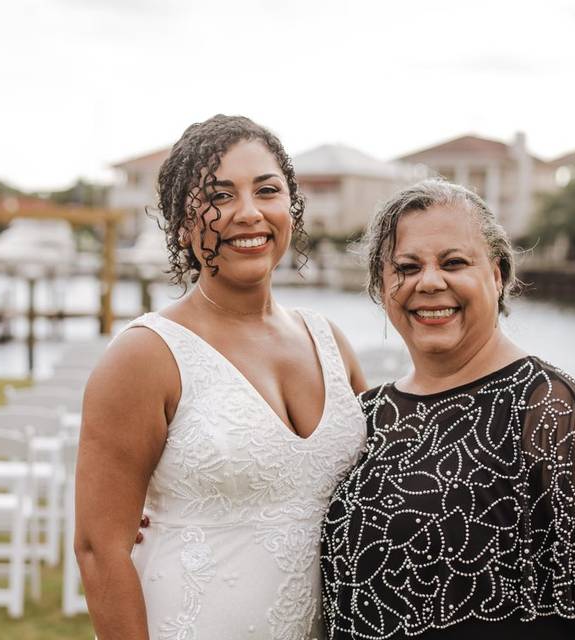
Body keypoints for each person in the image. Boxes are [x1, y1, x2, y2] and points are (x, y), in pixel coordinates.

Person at [321, 179, 575, 640]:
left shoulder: (548, 408)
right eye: (406, 266)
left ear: (498, 275)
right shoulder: (366, 414)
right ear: (381, 287)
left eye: (454, 262)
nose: (429, 282)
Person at [75, 115, 368, 640]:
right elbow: (99, 550)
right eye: (219, 195)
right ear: (183, 223)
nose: (248, 212)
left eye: (267, 190)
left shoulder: (331, 342)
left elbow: (386, 484)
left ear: (291, 209)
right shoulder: (145, 356)